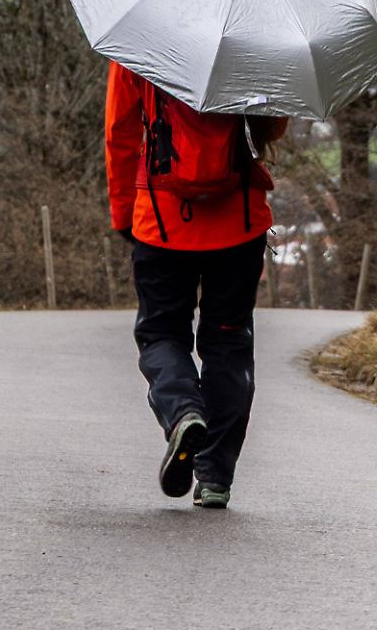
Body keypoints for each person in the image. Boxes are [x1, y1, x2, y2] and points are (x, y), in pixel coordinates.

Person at [105, 61, 287, 509]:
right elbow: (274, 126)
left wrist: (123, 212)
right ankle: (214, 476)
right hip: (239, 219)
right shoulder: (254, 40)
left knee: (161, 333)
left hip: (161, 220)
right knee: (228, 341)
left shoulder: (140, 42)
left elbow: (120, 132)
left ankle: (184, 411)